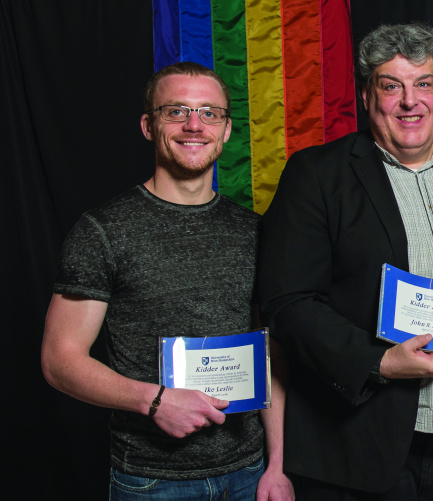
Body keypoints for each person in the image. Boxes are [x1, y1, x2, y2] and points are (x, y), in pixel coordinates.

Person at [257, 23, 433, 500]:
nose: (410, 100)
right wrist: (379, 361)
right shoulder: (318, 174)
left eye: (422, 83)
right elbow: (287, 303)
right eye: (391, 85)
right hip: (362, 447)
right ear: (367, 96)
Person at [41, 62, 294, 500]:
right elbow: (59, 361)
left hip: (250, 474)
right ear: (148, 125)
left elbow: (270, 352)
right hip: (152, 481)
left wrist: (277, 466)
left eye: (209, 113)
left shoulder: (256, 232)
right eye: (176, 111)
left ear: (227, 130)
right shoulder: (103, 230)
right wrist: (153, 401)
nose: (193, 125)